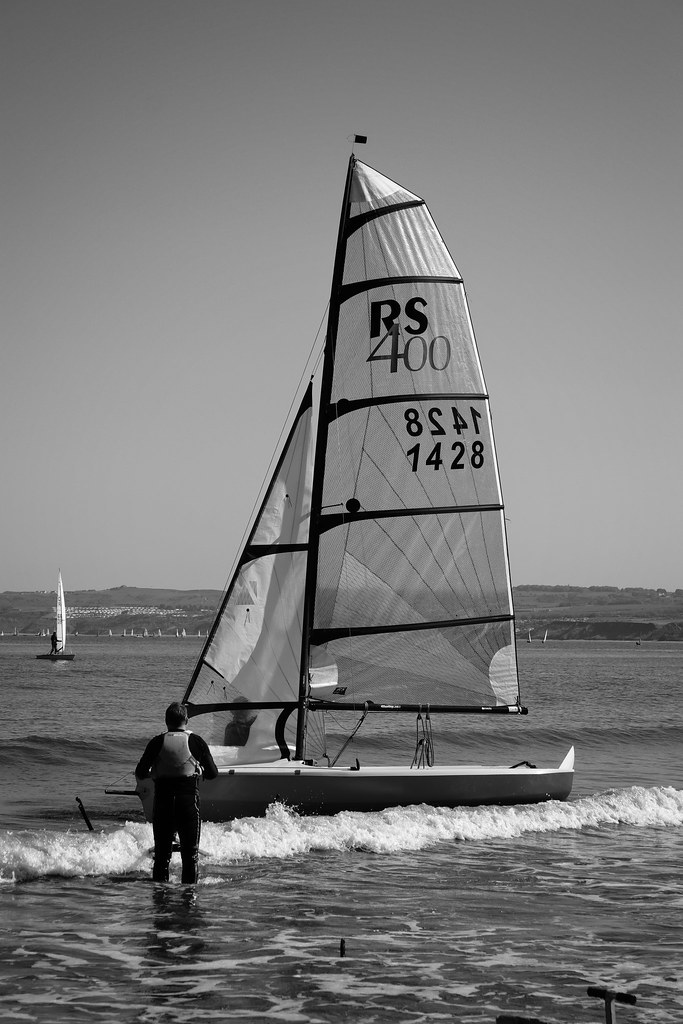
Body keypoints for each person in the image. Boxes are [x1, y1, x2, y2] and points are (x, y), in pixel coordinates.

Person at [135, 701, 218, 884]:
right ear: (186, 720)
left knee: (162, 858)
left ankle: (161, 902)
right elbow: (213, 774)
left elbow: (140, 773)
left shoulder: (157, 742)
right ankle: (188, 901)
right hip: (188, 804)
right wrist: (199, 770)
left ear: (166, 721)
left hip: (163, 803)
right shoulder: (196, 741)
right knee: (190, 857)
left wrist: (156, 773)